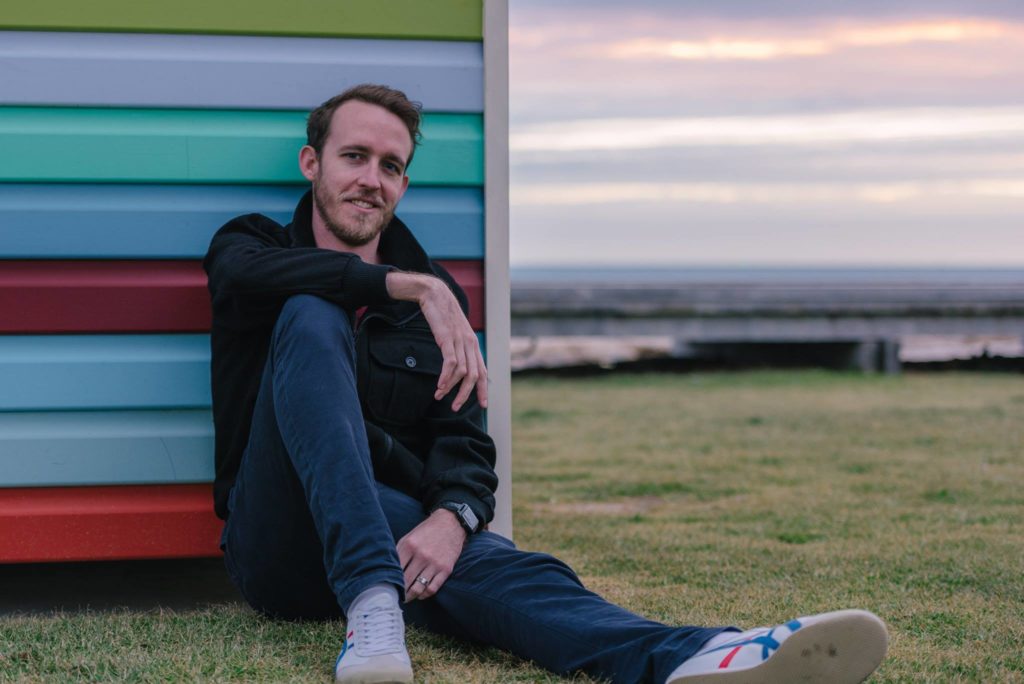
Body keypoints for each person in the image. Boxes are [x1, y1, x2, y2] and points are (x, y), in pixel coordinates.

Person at [204, 83, 889, 684]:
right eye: (354, 157)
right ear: (312, 162)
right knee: (310, 313)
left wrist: (453, 519)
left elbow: (464, 444)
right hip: (279, 540)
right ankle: (372, 596)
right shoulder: (254, 246)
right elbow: (245, 279)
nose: (371, 179)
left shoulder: (439, 298)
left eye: (392, 166)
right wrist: (402, 286)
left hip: (395, 536)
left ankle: (698, 655)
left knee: (510, 571)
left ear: (404, 184)